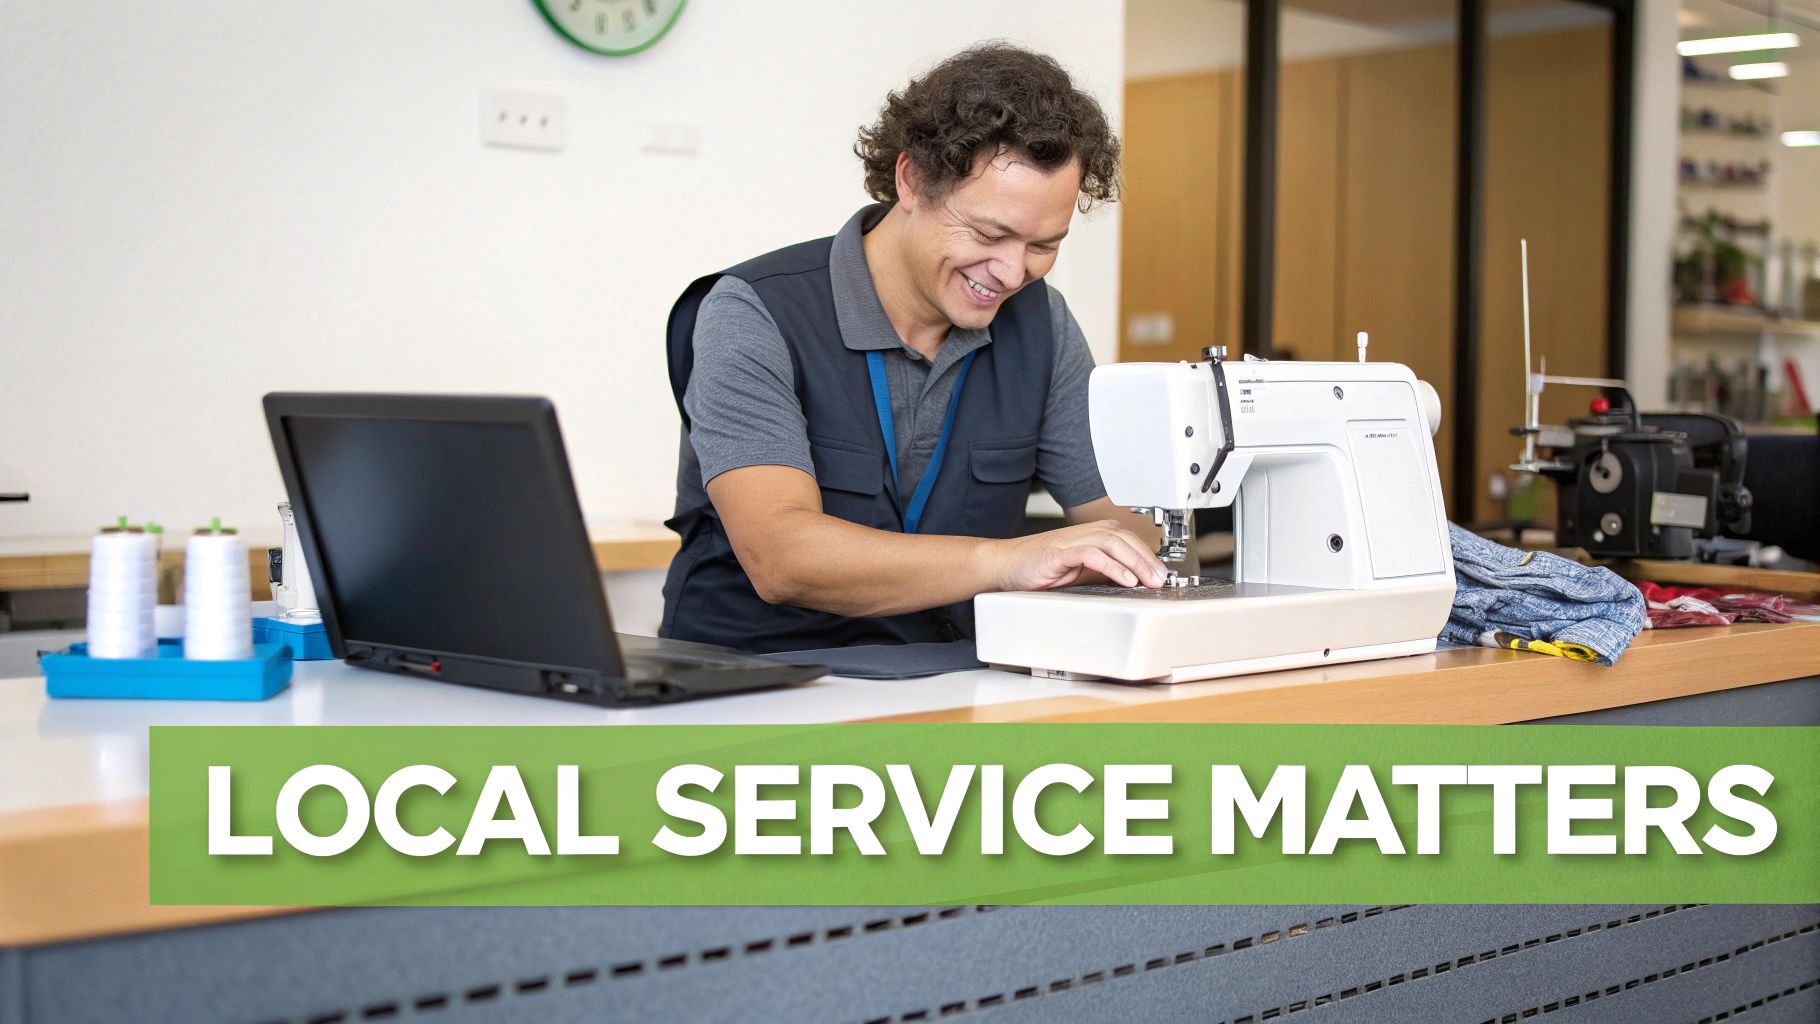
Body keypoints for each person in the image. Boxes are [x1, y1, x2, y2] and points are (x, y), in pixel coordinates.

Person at [661, 43, 1166, 654]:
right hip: (761, 675)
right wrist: (1008, 562)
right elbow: (782, 557)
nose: (1011, 272)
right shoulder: (755, 311)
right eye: (989, 233)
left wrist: (1173, 523)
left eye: (1043, 246)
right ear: (912, 179)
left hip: (952, 671)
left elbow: (1123, 522)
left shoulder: (1043, 325)